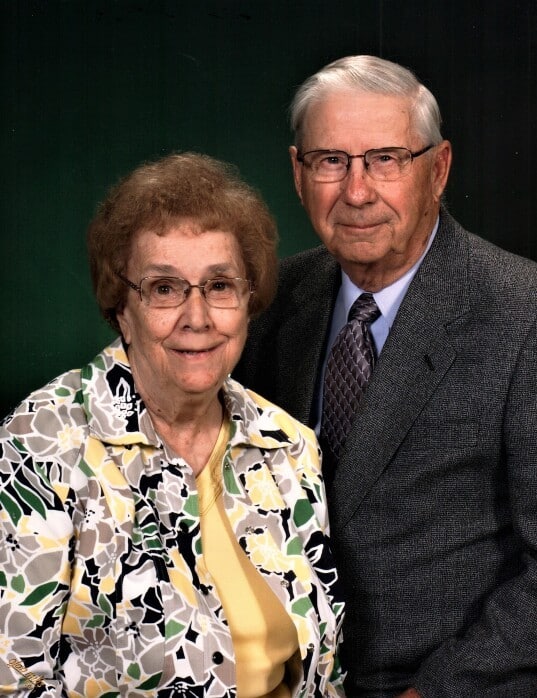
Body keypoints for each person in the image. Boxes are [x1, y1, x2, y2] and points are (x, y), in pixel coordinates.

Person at [234, 55, 537, 697]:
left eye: (386, 160)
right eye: (331, 161)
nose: (357, 192)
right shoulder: (270, 304)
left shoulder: (522, 316)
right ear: (298, 173)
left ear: (439, 169)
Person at [0, 153, 345, 697]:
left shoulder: (288, 446)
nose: (197, 317)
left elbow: (325, 674)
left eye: (220, 286)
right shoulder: (41, 445)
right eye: (164, 288)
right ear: (121, 307)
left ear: (248, 301)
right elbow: (13, 682)